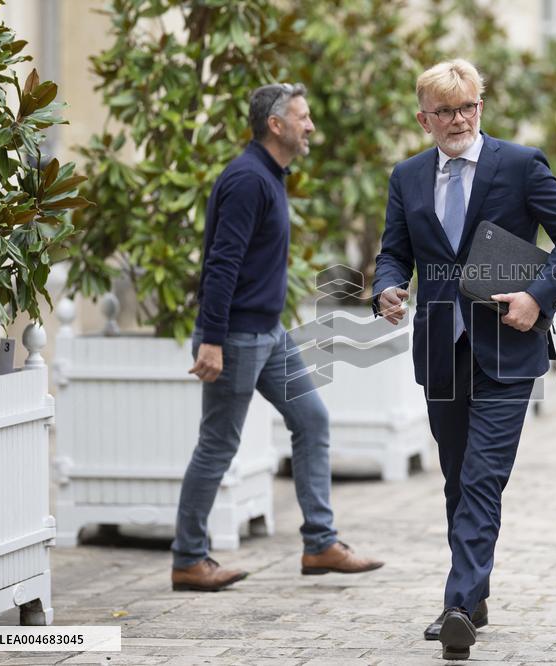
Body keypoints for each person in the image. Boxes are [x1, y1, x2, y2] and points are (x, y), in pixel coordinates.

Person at [373, 59, 556, 660]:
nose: (458, 119)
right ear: (424, 119)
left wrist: (537, 296)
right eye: (444, 111)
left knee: (481, 477)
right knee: (455, 479)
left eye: (467, 107)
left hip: (508, 349)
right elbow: (394, 253)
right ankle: (474, 597)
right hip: (440, 351)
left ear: (480, 107)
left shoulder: (520, 166)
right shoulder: (407, 177)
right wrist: (386, 287)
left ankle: (455, 605)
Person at [171, 83, 383, 592]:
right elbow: (221, 265)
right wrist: (212, 340)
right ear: (276, 124)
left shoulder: (269, 176)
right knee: (219, 444)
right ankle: (189, 558)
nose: (311, 126)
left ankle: (320, 544)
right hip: (239, 336)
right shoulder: (248, 180)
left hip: (268, 332)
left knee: (312, 420)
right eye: (303, 117)